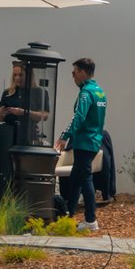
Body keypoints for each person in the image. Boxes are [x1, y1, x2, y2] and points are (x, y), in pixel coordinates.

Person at [54, 58, 107, 231]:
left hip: (84, 143)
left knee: (85, 179)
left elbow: (78, 116)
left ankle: (91, 220)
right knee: (76, 179)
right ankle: (68, 216)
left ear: (83, 72)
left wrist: (64, 136)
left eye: (74, 72)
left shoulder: (85, 93)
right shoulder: (99, 92)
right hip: (94, 141)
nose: (73, 76)